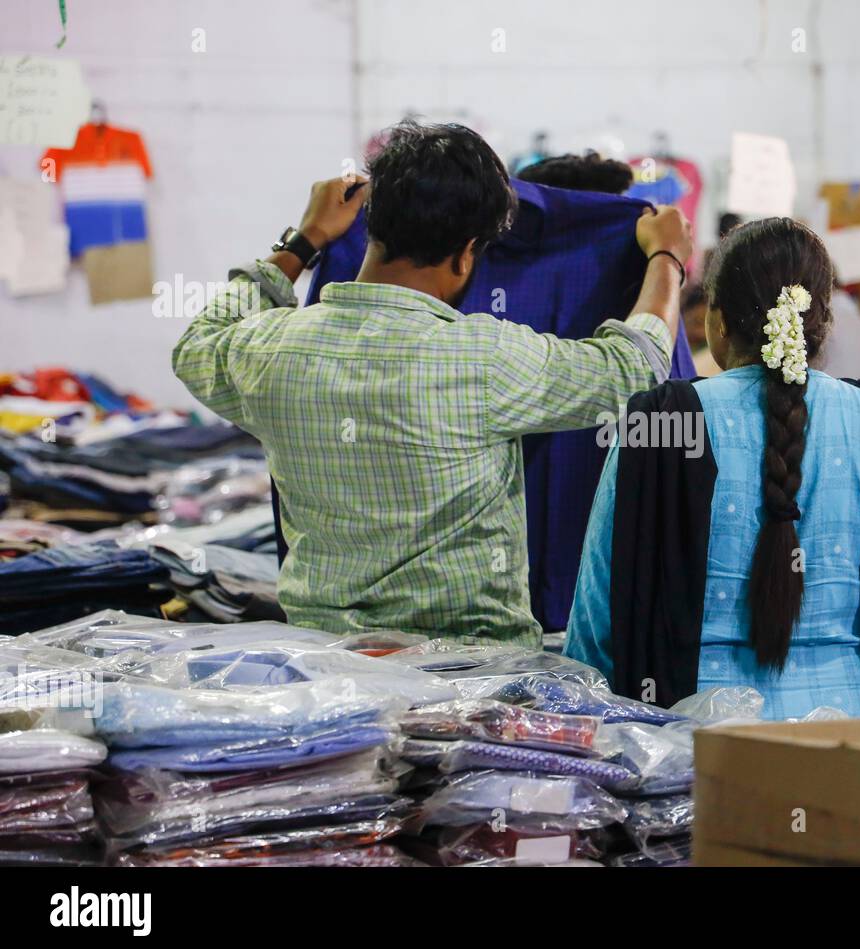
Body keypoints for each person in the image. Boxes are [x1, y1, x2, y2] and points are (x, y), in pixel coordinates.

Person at [173, 122, 692, 644]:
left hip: (328, 671)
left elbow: (197, 341)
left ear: (372, 225)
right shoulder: (485, 359)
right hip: (468, 680)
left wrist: (303, 241)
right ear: (468, 253)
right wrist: (667, 258)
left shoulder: (271, 352)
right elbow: (632, 367)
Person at [565, 217, 860, 719]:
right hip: (854, 746)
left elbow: (596, 627)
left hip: (693, 749)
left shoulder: (658, 423)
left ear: (716, 320)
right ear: (821, 323)